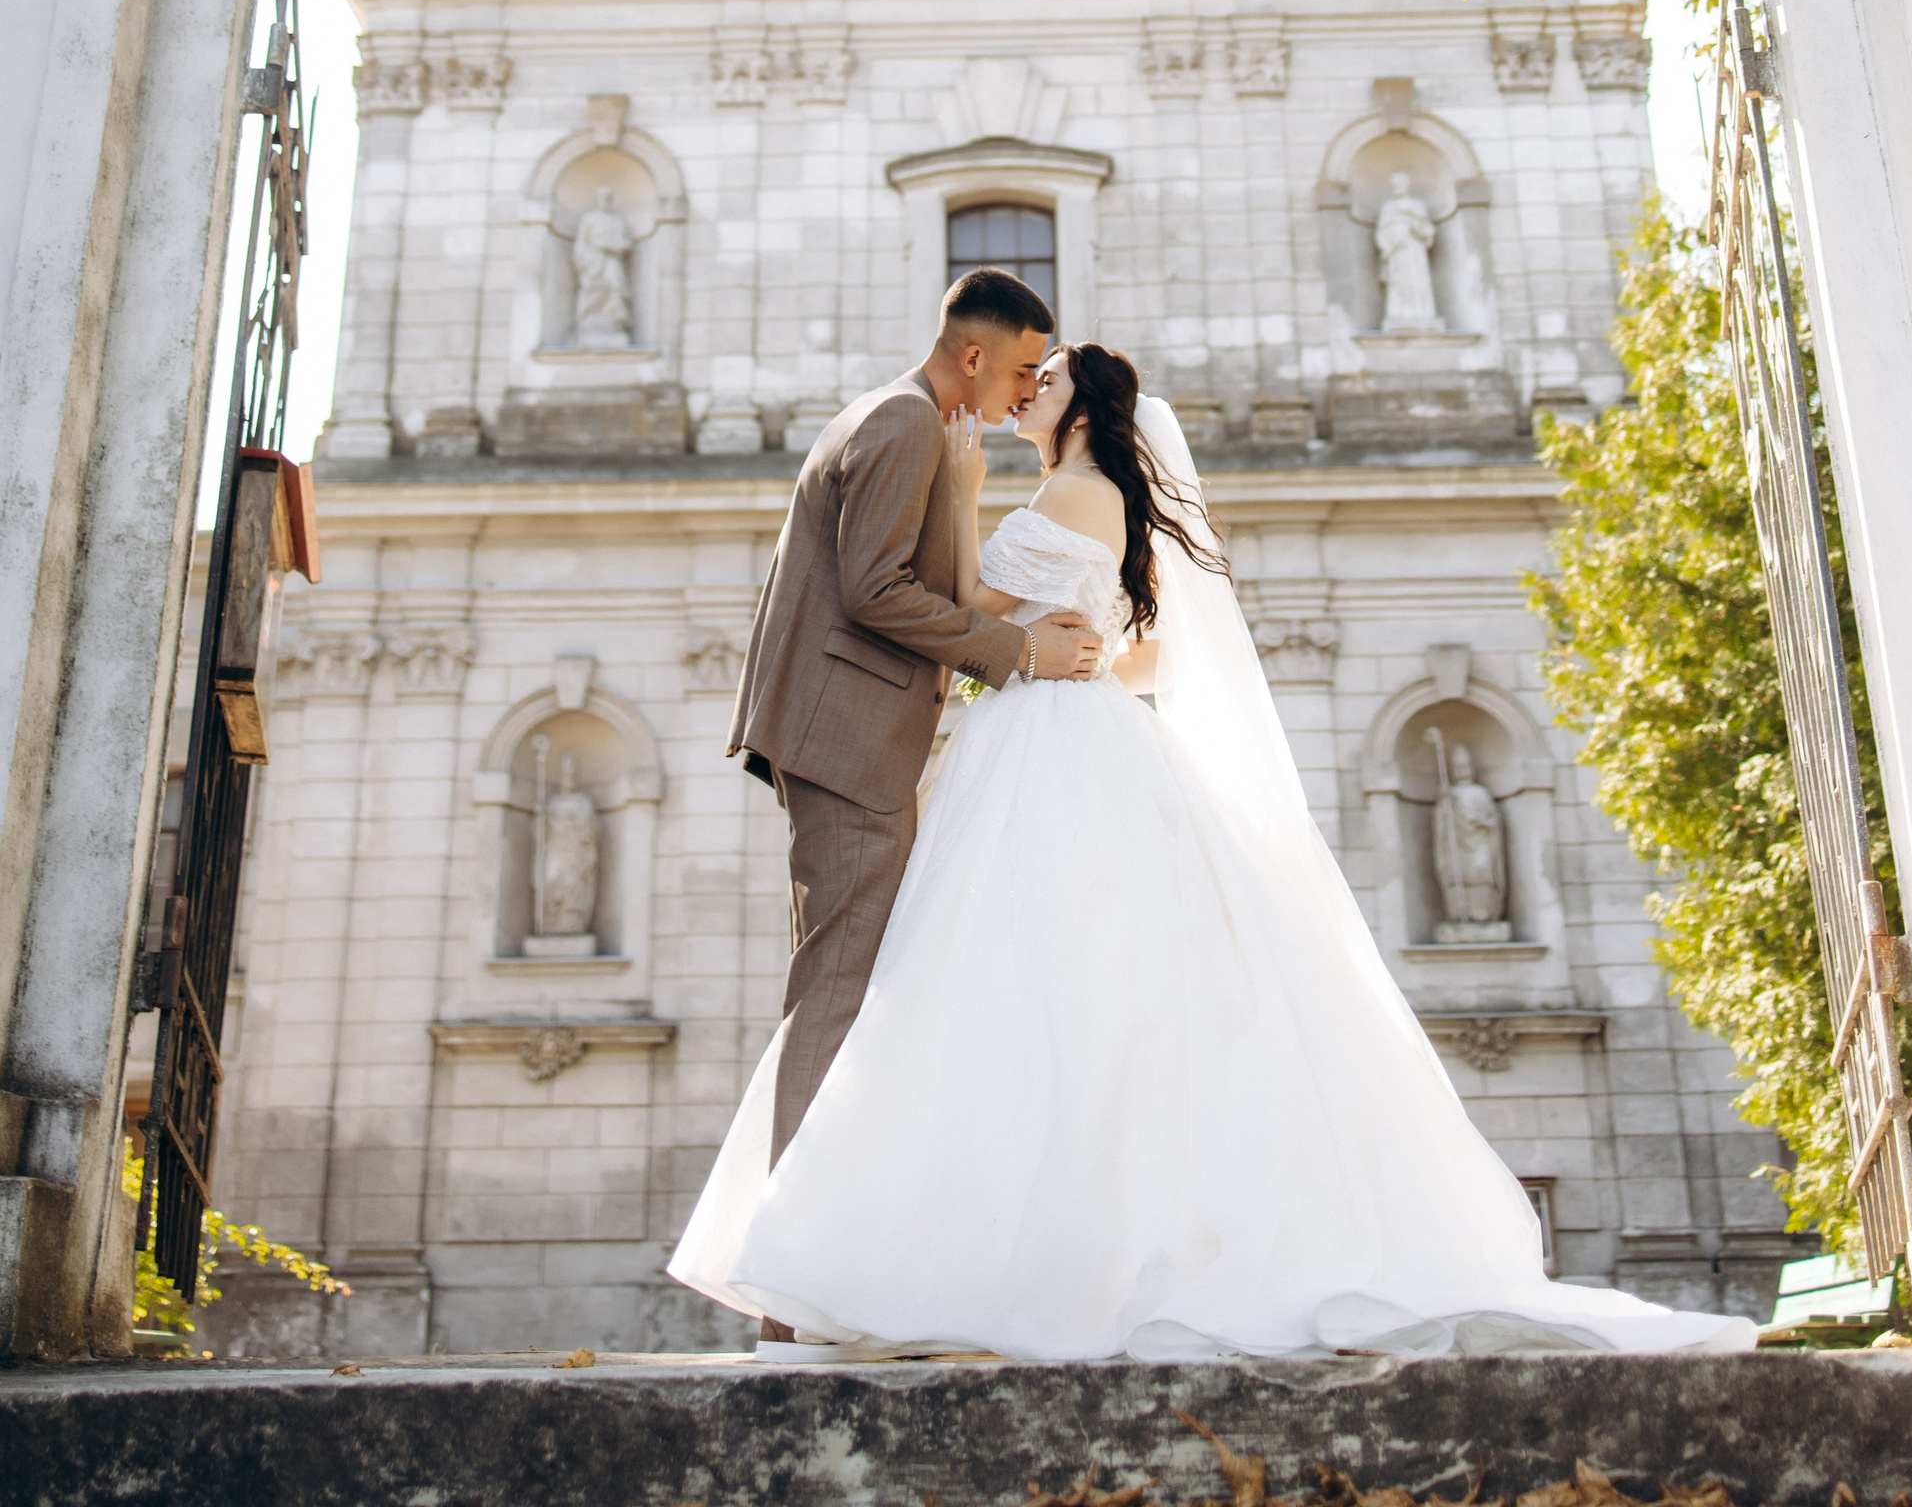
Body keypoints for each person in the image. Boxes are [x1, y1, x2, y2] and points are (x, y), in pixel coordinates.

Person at [675, 342, 1756, 1363]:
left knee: (1006, 984)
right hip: (1069, 728)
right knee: (1061, 992)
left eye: (1049, 378)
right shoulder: (1102, 502)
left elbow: (964, 608)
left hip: (1046, 748)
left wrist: (960, 492)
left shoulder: (1071, 493)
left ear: (1086, 410)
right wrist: (1073, 657)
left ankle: (976, 1264)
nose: (1029, 387)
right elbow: (1135, 651)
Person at [720, 270, 1104, 1348]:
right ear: (975, 356)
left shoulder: (907, 420)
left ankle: (815, 1273)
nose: (1026, 389)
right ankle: (793, 1287)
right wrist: (1019, 651)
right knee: (837, 995)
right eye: (1022, 369)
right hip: (848, 743)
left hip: (845, 736)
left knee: (842, 989)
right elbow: (876, 589)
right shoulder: (901, 424)